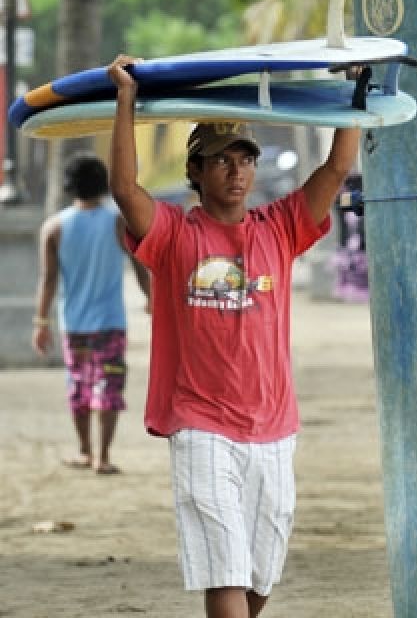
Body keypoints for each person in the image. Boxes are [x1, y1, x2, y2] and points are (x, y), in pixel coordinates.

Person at [106, 53, 361, 618]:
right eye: (220, 160)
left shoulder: (281, 226)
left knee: (259, 576)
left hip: (274, 427)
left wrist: (355, 92)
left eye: (244, 158)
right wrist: (126, 97)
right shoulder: (173, 234)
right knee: (224, 570)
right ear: (196, 172)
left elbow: (336, 169)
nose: (237, 171)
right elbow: (125, 189)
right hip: (201, 425)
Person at [31, 152, 151, 475]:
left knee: (79, 387)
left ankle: (84, 450)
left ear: (70, 186)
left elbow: (48, 280)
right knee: (109, 387)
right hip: (110, 323)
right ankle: (103, 456)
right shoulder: (118, 222)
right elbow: (139, 266)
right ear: (103, 183)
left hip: (73, 325)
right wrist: (151, 299)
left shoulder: (53, 227)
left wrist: (41, 323)